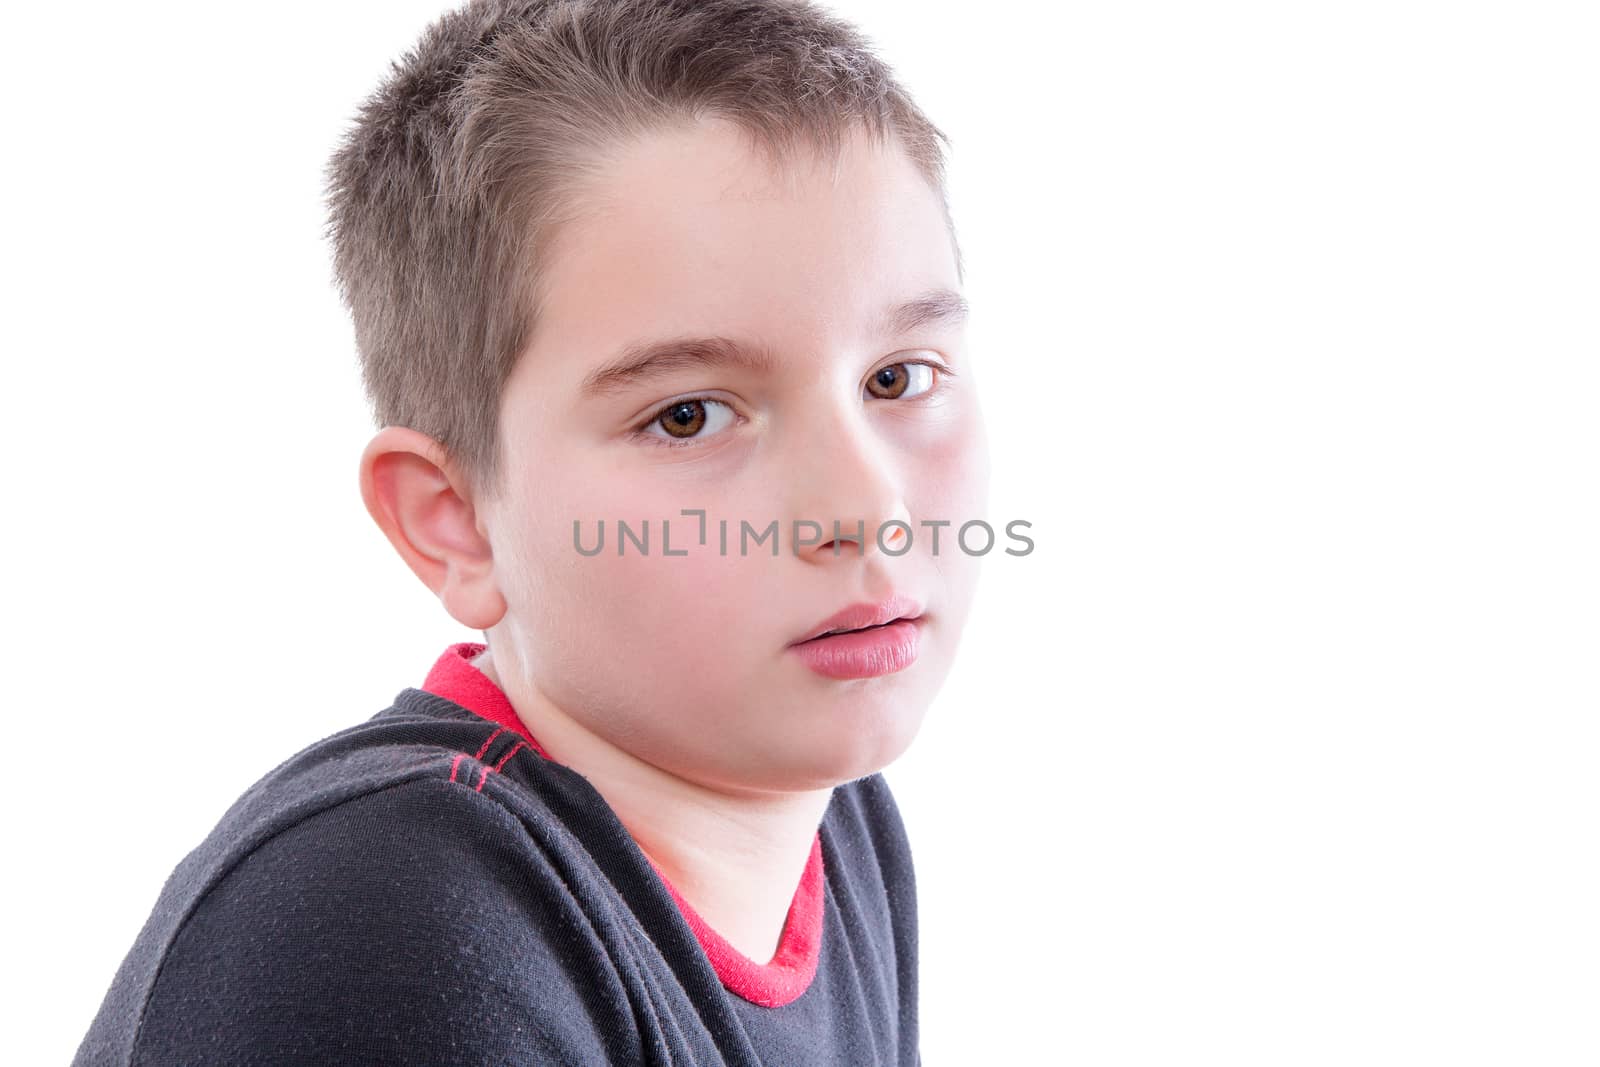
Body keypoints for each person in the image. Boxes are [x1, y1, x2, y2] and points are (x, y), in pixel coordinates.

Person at [72, 0, 990, 1062]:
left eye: (898, 377)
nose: (864, 510)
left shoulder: (832, 816)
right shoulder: (389, 922)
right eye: (686, 414)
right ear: (454, 520)